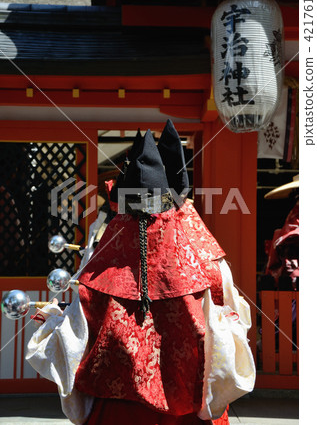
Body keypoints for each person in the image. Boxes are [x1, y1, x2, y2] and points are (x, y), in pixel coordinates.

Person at [27, 120, 255, 425]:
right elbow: (224, 354)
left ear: (122, 212)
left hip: (116, 415)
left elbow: (72, 353)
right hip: (187, 413)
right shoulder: (207, 270)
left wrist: (55, 319)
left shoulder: (94, 278)